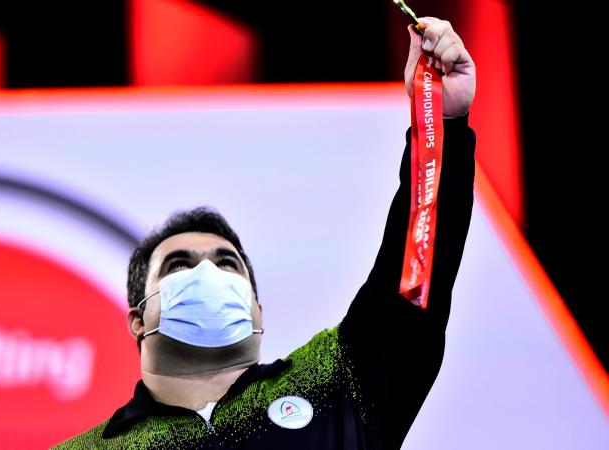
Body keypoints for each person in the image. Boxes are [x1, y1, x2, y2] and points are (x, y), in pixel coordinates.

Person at [52, 16, 476, 450]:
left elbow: (413, 277)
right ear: (138, 320)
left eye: (227, 263)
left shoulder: (337, 381)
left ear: (257, 310)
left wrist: (442, 123)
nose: (209, 274)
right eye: (179, 265)